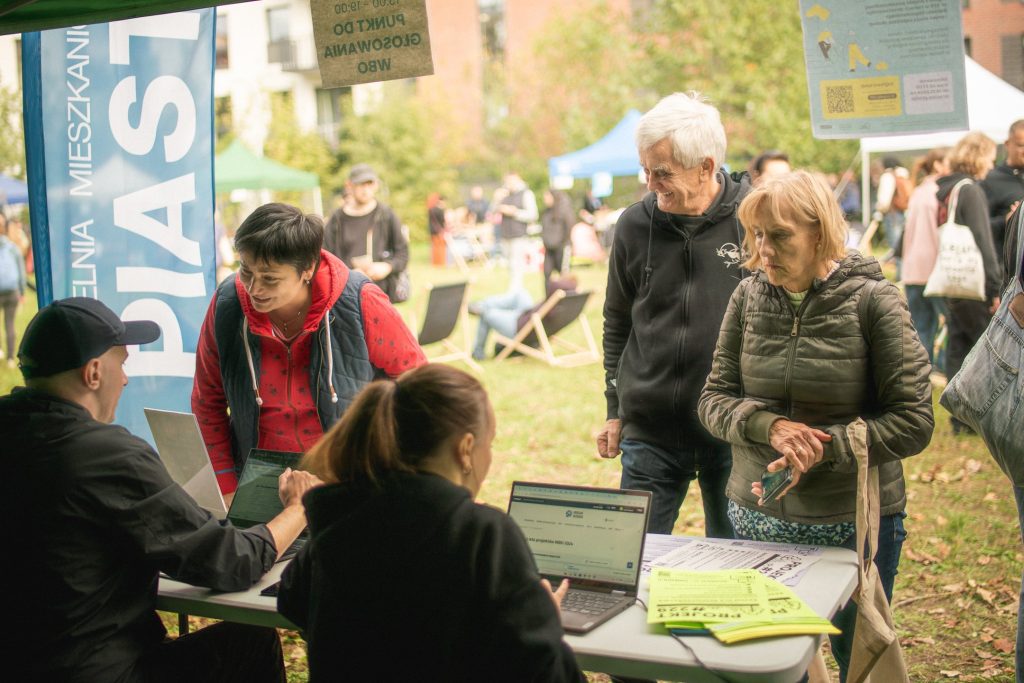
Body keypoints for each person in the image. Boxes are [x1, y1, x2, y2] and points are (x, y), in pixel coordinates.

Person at [4, 297, 321, 683]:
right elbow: (234, 562)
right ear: (92, 374)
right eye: (120, 363)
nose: (124, 378)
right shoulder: (106, 455)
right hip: (95, 670)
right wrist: (299, 508)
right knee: (249, 640)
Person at [697, 171, 933, 680]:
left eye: (779, 235)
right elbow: (713, 400)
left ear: (821, 233)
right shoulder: (747, 298)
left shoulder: (875, 301)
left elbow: (914, 420)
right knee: (772, 660)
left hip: (848, 518)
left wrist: (827, 447)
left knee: (856, 659)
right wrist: (770, 426)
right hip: (758, 513)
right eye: (758, 235)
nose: (764, 250)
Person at [277, 364, 584, 682]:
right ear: (466, 449)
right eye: (488, 445)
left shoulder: (340, 515)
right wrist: (544, 621)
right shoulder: (483, 534)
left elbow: (293, 599)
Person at [193, 203, 426, 496]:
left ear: (307, 269)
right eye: (246, 271)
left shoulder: (361, 301)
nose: (253, 288)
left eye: (270, 278)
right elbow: (207, 400)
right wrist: (224, 484)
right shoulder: (227, 305)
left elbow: (418, 384)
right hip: (258, 480)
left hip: (347, 476)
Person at [598, 91, 751, 537]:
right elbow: (617, 322)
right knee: (631, 561)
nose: (649, 183)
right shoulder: (633, 225)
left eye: (661, 172)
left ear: (706, 166)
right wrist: (614, 408)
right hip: (650, 433)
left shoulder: (754, 219)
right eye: (645, 169)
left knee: (736, 569)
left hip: (734, 429)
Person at [935, 132, 1003, 433]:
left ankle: (958, 418)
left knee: (957, 349)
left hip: (954, 282)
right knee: (982, 350)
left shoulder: (947, 191)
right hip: (974, 284)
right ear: (978, 156)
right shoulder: (971, 191)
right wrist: (995, 287)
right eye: (990, 156)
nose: (992, 163)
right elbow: (983, 242)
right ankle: (978, 418)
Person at [323, 164, 410, 303]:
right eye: (360, 184)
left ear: (375, 185)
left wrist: (387, 267)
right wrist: (350, 274)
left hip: (381, 296)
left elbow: (403, 254)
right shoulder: (337, 219)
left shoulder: (386, 215)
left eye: (369, 184)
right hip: (346, 297)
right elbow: (325, 259)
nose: (365, 189)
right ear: (349, 185)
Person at [901, 148, 950, 372]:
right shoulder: (942, 192)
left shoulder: (918, 191)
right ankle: (944, 366)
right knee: (949, 322)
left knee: (920, 326)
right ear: (939, 165)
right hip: (934, 268)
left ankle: (921, 371)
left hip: (913, 267)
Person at [469, 275, 577, 361]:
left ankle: (478, 353)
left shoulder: (558, 296)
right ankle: (482, 304)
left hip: (519, 327)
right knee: (521, 293)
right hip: (527, 317)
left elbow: (554, 285)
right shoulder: (567, 303)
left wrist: (557, 279)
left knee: (486, 314)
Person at [982, 119, 1024, 265]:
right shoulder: (990, 179)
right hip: (1009, 272)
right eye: (1020, 145)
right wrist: (1006, 221)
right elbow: (979, 228)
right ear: (1007, 144)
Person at [496, 172, 539, 287]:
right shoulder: (504, 194)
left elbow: (533, 215)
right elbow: (492, 211)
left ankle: (516, 288)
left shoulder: (526, 194)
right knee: (509, 263)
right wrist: (497, 200)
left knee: (517, 263)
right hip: (505, 233)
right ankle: (513, 287)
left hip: (519, 234)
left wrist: (515, 212)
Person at [0, 212, 27, 368]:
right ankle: (11, 358)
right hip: (12, 290)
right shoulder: (13, 248)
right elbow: (21, 272)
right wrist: (22, 292)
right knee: (9, 323)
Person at [541, 188, 574, 282]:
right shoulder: (546, 212)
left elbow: (569, 227)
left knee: (564, 275)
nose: (545, 199)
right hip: (549, 248)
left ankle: (568, 295)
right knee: (547, 274)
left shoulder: (564, 210)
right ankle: (548, 296)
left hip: (562, 247)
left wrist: (562, 242)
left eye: (547, 197)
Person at [427, 192, 447, 267]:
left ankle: (435, 262)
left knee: (434, 247)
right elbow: (442, 221)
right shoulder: (440, 210)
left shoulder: (430, 210)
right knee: (441, 247)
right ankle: (441, 262)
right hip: (439, 231)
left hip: (432, 230)